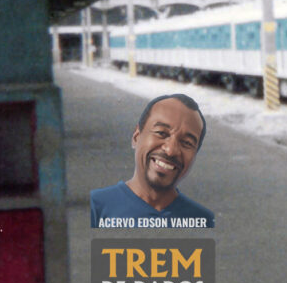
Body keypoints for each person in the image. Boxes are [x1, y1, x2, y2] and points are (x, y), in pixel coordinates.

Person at [91, 93, 215, 228]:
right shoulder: (96, 207)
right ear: (136, 136)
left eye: (186, 143)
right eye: (161, 133)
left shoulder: (202, 221)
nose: (171, 150)